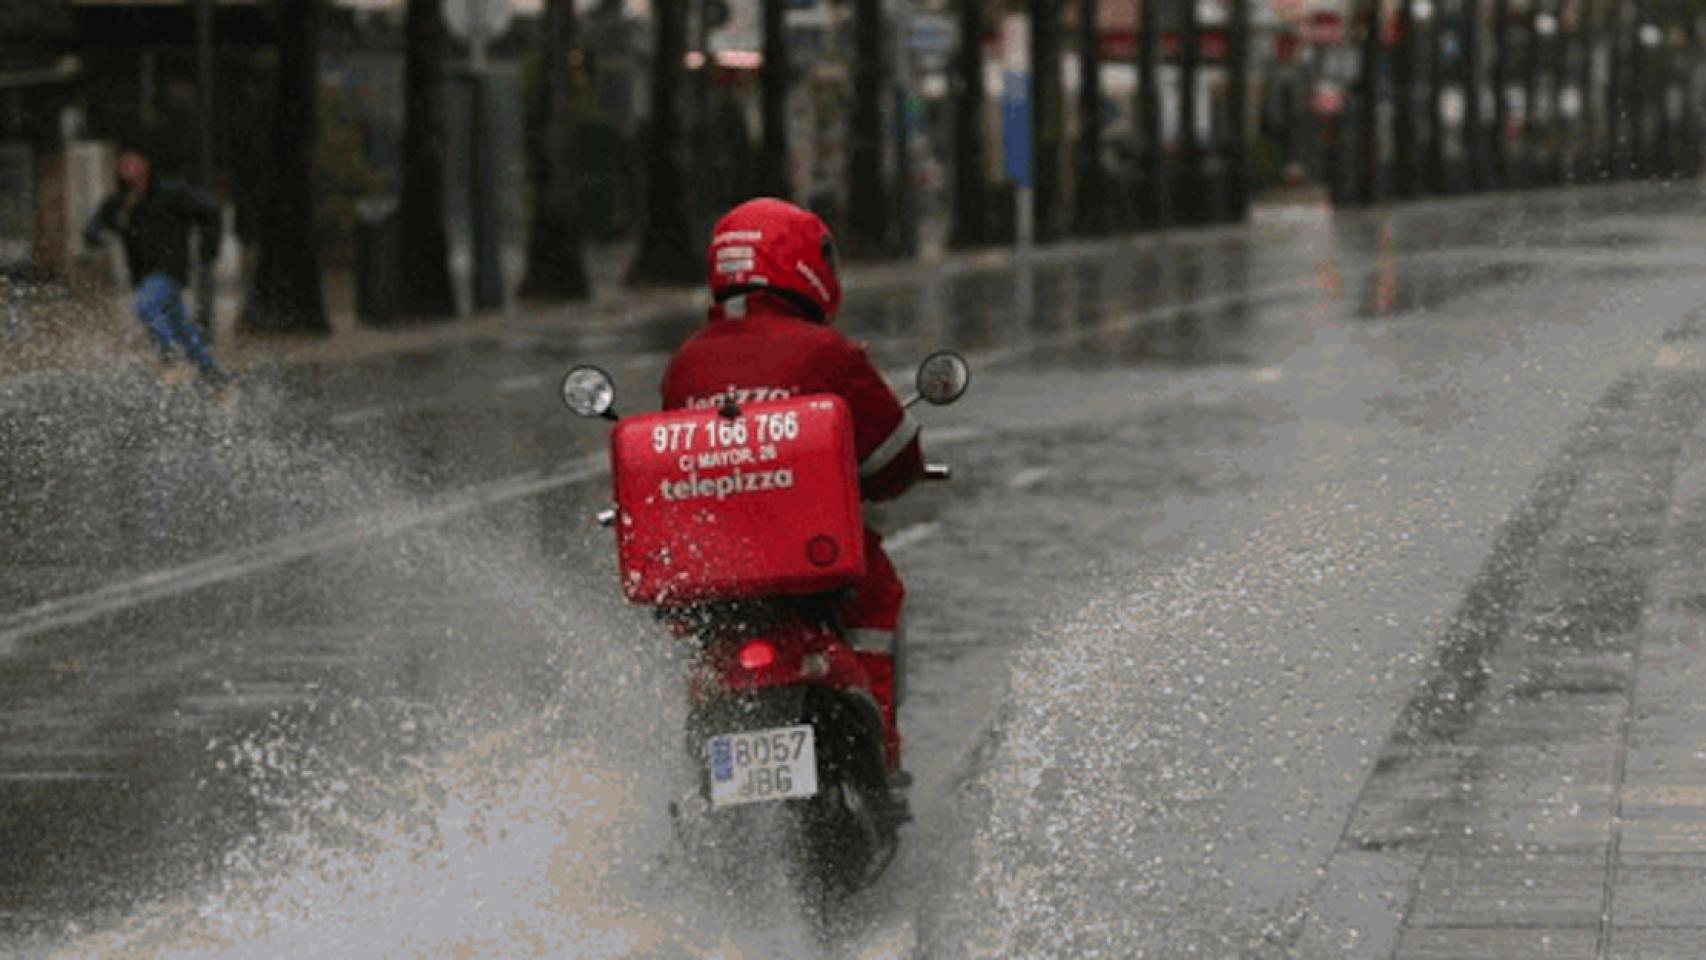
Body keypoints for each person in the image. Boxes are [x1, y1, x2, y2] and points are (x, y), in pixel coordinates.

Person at [661, 198, 924, 781]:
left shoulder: (685, 363)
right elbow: (896, 460)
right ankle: (880, 744)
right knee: (877, 595)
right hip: (811, 565)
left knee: (707, 649)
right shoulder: (826, 353)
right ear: (802, 263)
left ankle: (707, 768)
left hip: (720, 569)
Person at [83, 141, 228, 385]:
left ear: (146, 164)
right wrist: (97, 236)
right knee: (180, 327)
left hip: (169, 271)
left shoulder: (172, 194)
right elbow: (94, 226)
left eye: (133, 161)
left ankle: (172, 360)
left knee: (144, 306)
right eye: (123, 162)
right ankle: (215, 377)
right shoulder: (121, 202)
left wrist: (207, 252)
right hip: (142, 275)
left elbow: (211, 211)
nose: (127, 167)